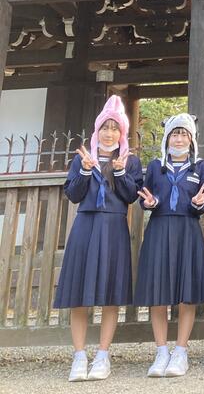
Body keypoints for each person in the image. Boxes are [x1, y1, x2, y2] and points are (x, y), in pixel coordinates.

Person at [54, 94, 143, 382]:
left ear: (122, 133)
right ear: (97, 130)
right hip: (86, 224)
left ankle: (103, 355)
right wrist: (84, 170)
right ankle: (79, 355)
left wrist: (121, 172)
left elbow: (132, 196)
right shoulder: (83, 158)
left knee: (110, 294)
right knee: (79, 293)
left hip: (114, 226)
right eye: (105, 127)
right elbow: (73, 194)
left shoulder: (130, 160)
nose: (109, 133)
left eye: (115, 128)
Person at [134, 113, 204, 377]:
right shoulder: (155, 166)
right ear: (167, 138)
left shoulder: (200, 167)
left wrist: (198, 204)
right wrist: (149, 203)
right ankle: (161, 351)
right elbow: (145, 197)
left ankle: (180, 351)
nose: (179, 139)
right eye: (175, 134)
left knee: (186, 292)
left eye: (184, 134)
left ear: (192, 139)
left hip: (188, 230)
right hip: (159, 229)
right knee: (158, 293)